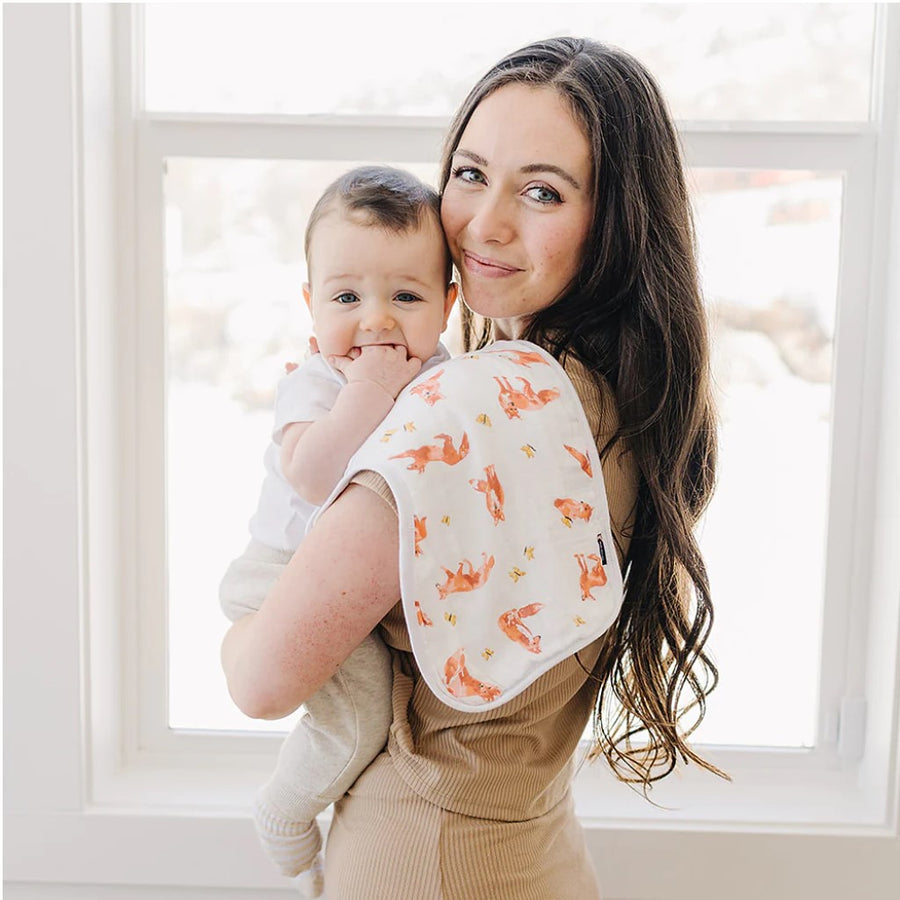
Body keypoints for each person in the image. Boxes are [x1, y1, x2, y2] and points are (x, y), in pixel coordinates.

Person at [222, 37, 724, 899]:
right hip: (533, 845)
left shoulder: (468, 410)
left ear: (616, 218)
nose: (483, 224)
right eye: (468, 173)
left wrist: (238, 631)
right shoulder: (614, 399)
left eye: (541, 191)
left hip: (421, 854)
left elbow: (262, 681)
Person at [218, 165, 457, 896]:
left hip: (342, 588)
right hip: (280, 574)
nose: (377, 321)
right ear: (311, 302)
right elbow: (315, 474)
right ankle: (285, 814)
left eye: (406, 296)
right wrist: (367, 393)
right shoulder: (319, 379)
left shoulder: (440, 375)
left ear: (448, 304)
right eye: (347, 296)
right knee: (355, 723)